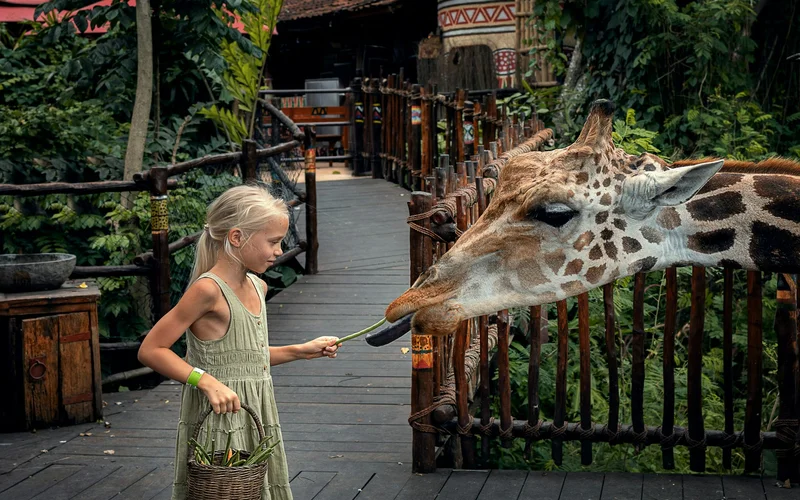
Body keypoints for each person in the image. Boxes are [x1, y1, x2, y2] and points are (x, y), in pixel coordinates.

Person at [138, 184, 339, 500]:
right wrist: (204, 381)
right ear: (236, 238)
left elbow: (245, 357)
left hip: (256, 414)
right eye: (272, 241)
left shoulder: (258, 286)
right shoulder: (207, 291)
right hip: (219, 418)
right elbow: (151, 350)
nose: (278, 250)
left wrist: (302, 351)